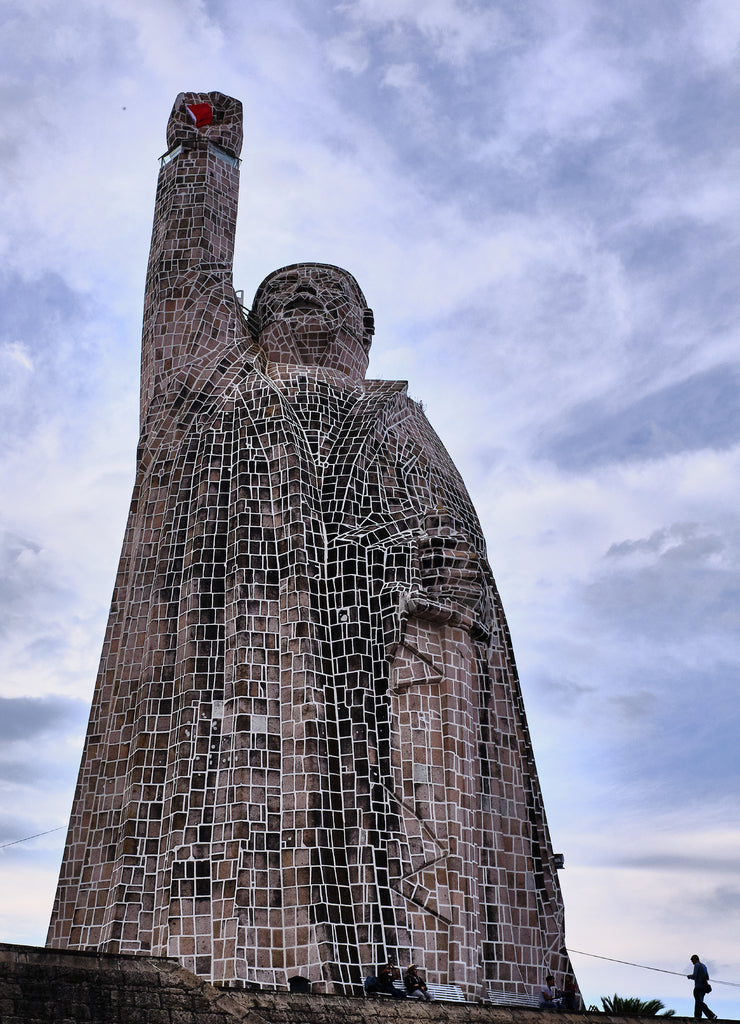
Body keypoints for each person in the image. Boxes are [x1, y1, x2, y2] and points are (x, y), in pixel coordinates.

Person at [688, 954, 717, 1020]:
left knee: (699, 1003)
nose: (692, 963)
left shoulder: (697, 965)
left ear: (695, 959)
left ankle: (711, 1015)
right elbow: (707, 977)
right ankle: (698, 1017)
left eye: (692, 961)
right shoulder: (704, 966)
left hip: (698, 987)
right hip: (703, 988)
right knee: (698, 1003)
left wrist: (689, 976)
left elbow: (694, 976)